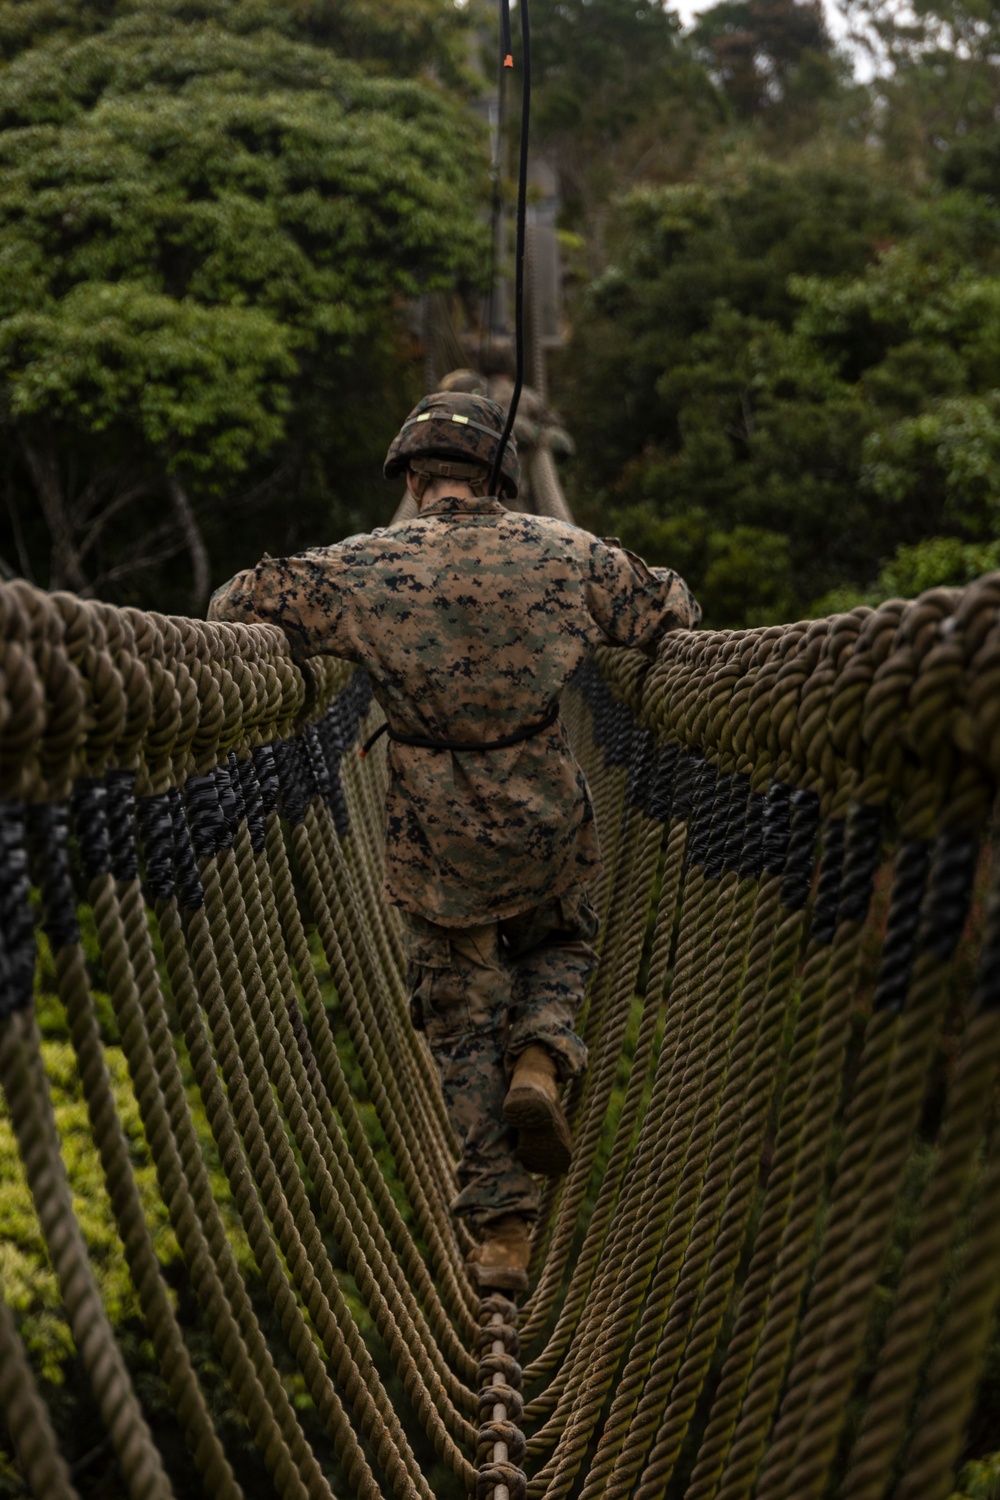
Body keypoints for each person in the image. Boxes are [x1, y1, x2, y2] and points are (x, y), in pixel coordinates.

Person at [208, 391, 700, 1291]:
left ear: (412, 477)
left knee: (460, 1021)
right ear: (503, 478)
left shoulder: (364, 566)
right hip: (548, 813)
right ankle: (546, 1053)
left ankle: (502, 1232)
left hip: (434, 839)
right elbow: (671, 611)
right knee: (563, 937)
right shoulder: (566, 552)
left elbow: (236, 603)